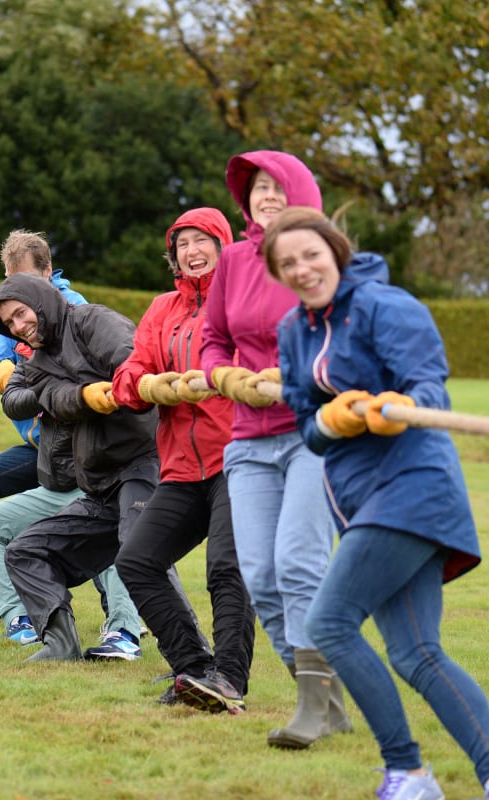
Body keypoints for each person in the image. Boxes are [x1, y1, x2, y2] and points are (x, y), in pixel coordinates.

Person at [267, 207, 489, 800]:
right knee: (416, 652)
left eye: (311, 255)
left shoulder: (383, 305)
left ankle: (407, 772)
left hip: (413, 487)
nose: (302, 268)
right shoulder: (294, 330)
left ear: (335, 251)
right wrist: (330, 419)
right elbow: (304, 425)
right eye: (287, 263)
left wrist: (396, 406)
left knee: (329, 623)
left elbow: (430, 387)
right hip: (362, 497)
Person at [195, 150, 351, 747]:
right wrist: (224, 376)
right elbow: (213, 339)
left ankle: (312, 709)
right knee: (259, 576)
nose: (265, 196)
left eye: (275, 186)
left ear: (300, 191)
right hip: (249, 441)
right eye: (256, 189)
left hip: (313, 434)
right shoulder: (233, 259)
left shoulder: (318, 261)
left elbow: (342, 338)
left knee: (300, 567)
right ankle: (327, 699)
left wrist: (299, 380)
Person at [112, 207, 255, 711]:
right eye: (182, 243)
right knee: (137, 561)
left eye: (202, 241)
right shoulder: (162, 308)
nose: (191, 251)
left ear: (223, 245)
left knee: (225, 568)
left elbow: (255, 363)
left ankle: (230, 680)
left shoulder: (242, 298)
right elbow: (131, 374)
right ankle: (192, 669)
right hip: (179, 467)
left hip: (237, 457)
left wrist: (215, 378)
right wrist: (145, 383)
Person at [0, 274, 158, 662]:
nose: (18, 326)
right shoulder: (37, 359)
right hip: (76, 476)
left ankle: (127, 632)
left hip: (135, 463)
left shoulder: (92, 321)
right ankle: (42, 632)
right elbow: (16, 399)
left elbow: (132, 365)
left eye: (21, 314)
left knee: (129, 546)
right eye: (10, 323)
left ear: (42, 297)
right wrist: (77, 395)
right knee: (7, 541)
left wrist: (77, 392)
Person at [0, 230, 90, 619]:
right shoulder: (8, 312)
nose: (17, 291)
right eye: (10, 281)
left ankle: (124, 616)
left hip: (77, 450)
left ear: (47, 272)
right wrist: (4, 370)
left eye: (27, 281)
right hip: (37, 447)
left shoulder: (75, 306)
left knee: (100, 519)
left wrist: (29, 372)